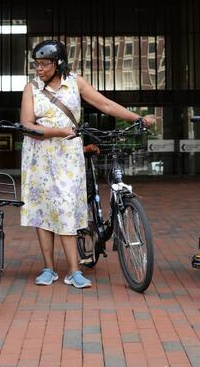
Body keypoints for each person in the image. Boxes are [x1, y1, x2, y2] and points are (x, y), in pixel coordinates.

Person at [20, 40, 155, 289]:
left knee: (67, 207)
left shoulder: (75, 82)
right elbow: (27, 125)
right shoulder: (31, 88)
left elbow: (104, 104)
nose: (38, 69)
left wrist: (138, 118)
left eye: (44, 64)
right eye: (36, 64)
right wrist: (58, 131)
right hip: (39, 155)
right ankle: (49, 268)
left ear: (58, 63)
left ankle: (74, 270)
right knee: (43, 210)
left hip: (68, 156)